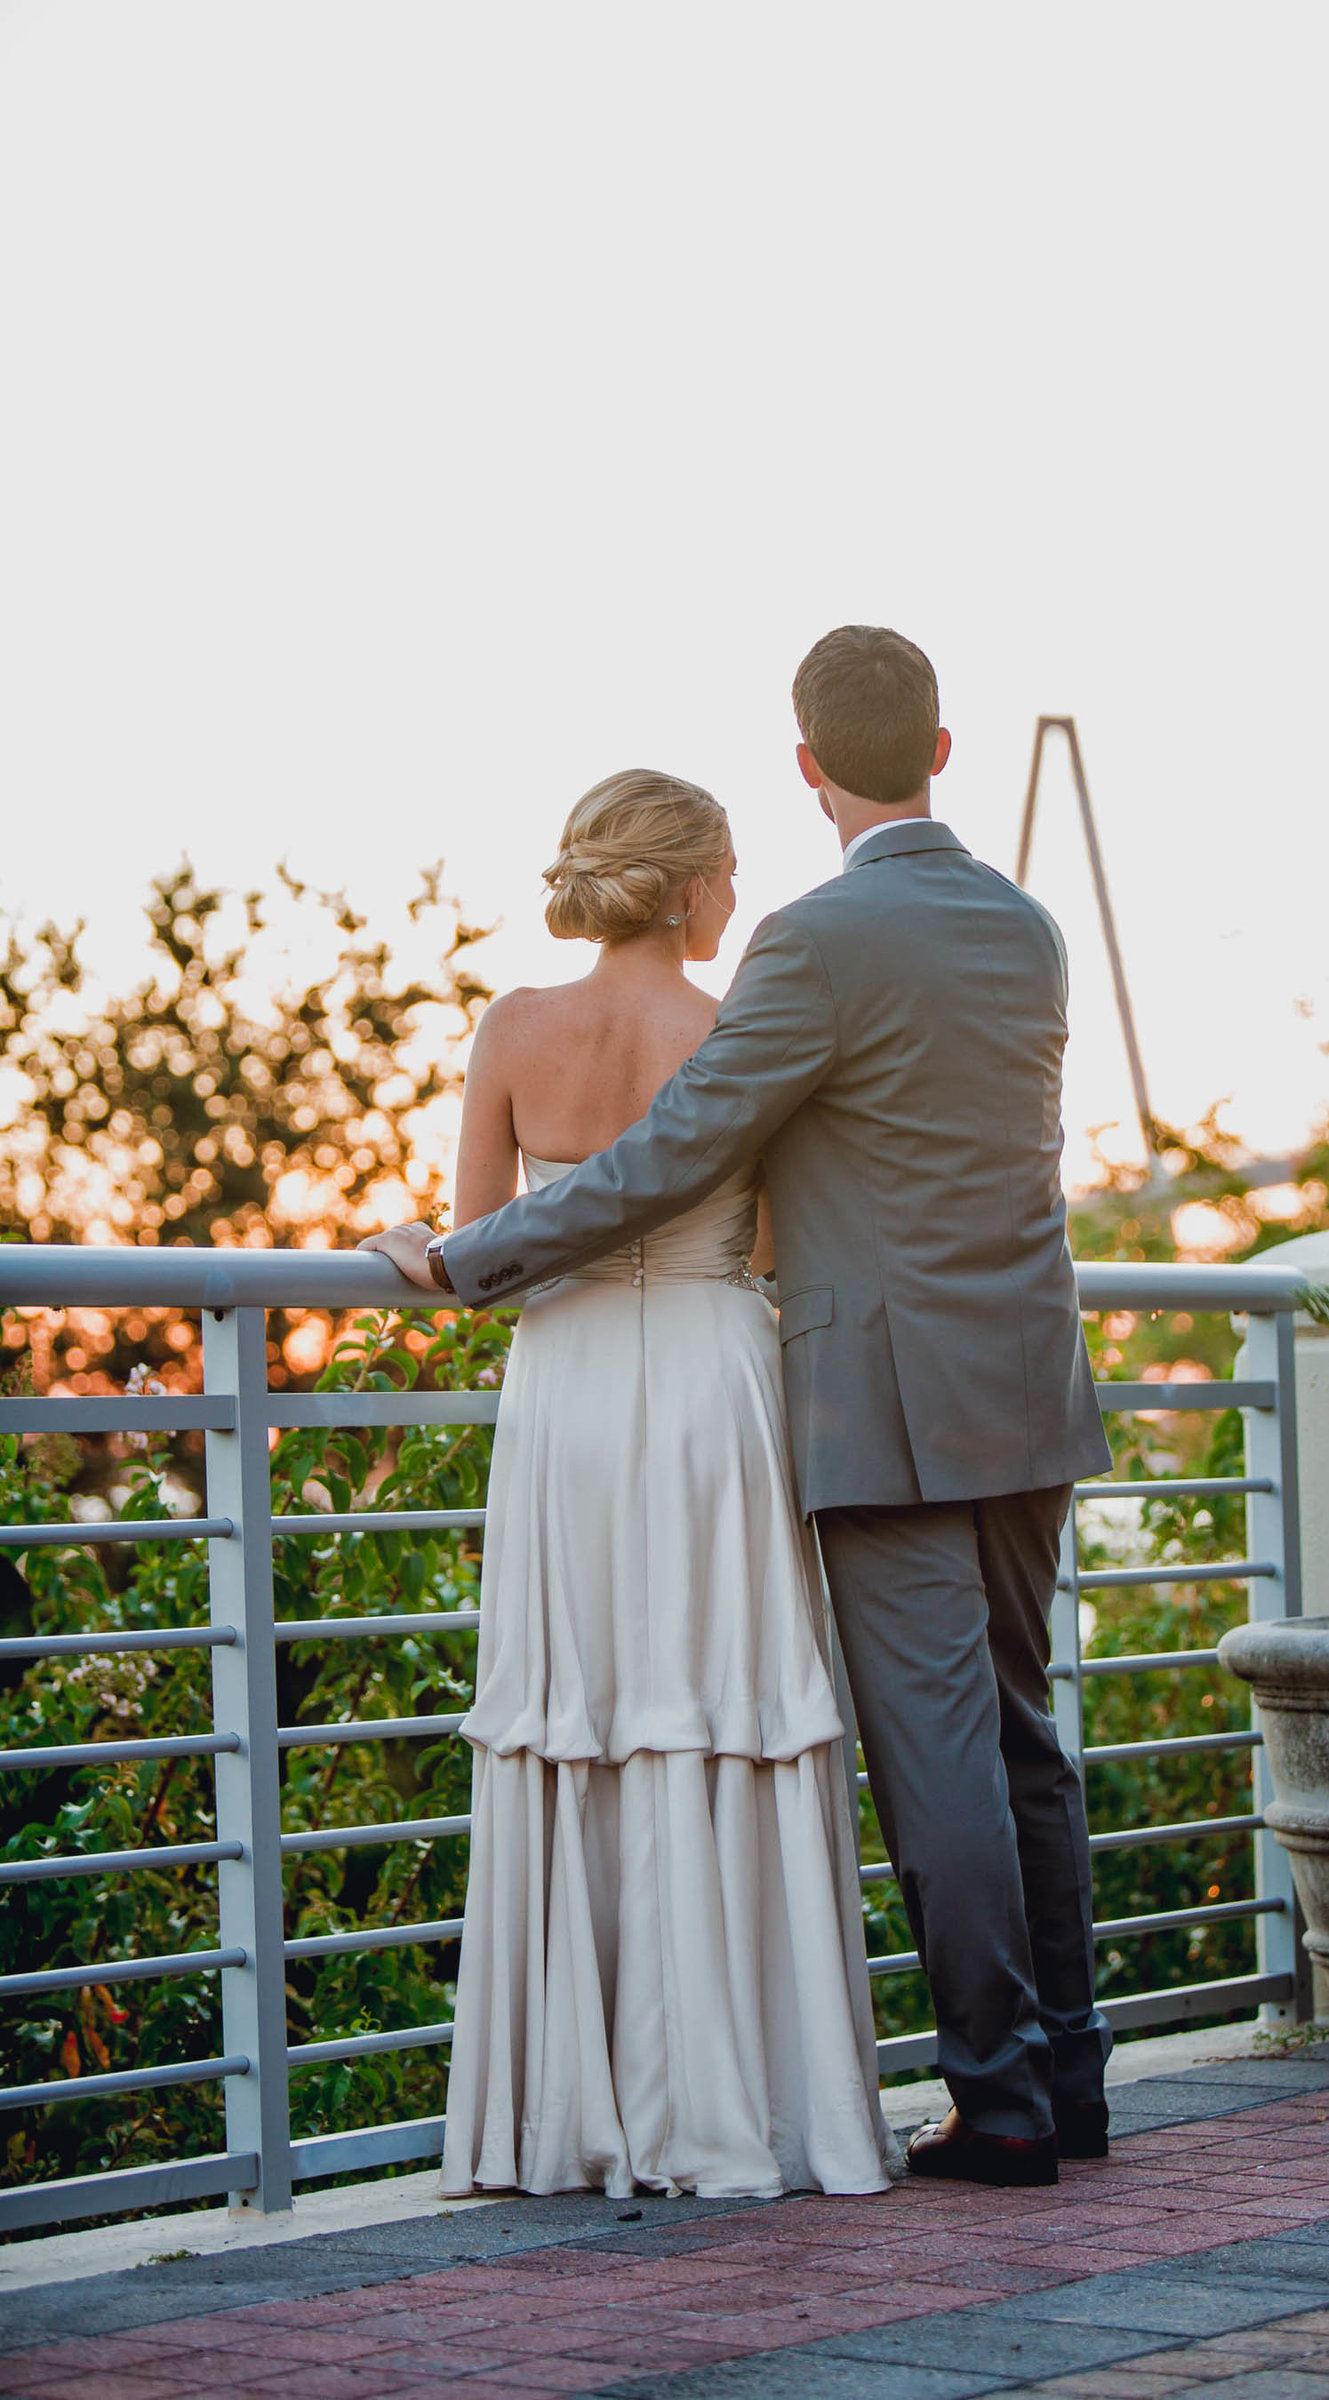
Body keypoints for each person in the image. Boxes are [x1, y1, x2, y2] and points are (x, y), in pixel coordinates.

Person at [369, 626, 1114, 2190]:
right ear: (945, 748)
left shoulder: (813, 940)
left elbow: (671, 1153)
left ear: (806, 766)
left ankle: (1003, 2108)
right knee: (1028, 1734)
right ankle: (1075, 2079)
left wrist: (470, 1256)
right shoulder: (1029, 926)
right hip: (1031, 1377)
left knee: (942, 1760)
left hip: (886, 1401)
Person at [390, 769, 891, 2200]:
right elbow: (786, 1242)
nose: (739, 896)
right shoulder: (741, 1029)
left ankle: (571, 2113)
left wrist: (401, 1241)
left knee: (580, 1716)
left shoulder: (514, 1028)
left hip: (569, 1398)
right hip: (711, 1388)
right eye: (728, 872)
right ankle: (745, 2098)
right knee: (723, 1709)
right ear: (686, 886)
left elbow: (474, 1252)